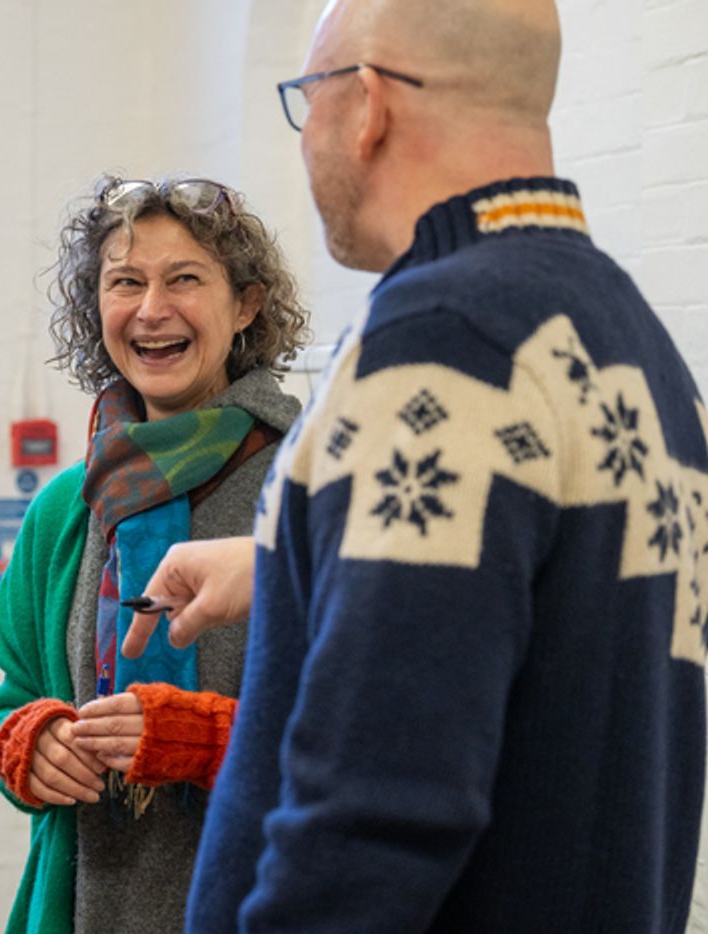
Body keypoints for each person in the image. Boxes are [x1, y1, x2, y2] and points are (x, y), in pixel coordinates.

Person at [125, 1, 708, 931]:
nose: (307, 138)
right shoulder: (630, 345)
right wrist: (292, 564)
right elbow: (540, 626)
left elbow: (377, 812)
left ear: (364, 106)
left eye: (305, 100)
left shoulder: (440, 347)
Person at [0, 175, 308, 934]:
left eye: (185, 279)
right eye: (125, 282)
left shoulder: (316, 488)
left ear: (247, 305)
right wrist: (31, 744)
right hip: (88, 906)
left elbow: (376, 735)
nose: (152, 310)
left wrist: (210, 741)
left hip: (261, 900)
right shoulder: (67, 506)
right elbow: (13, 696)